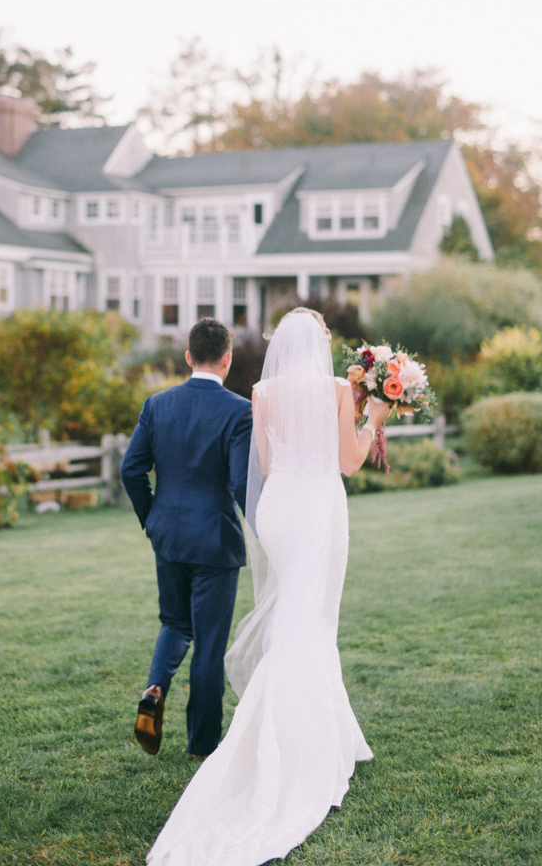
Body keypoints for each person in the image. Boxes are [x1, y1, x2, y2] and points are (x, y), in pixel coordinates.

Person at [145, 308, 391, 866]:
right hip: (316, 507)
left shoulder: (261, 391)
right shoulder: (335, 389)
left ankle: (333, 732)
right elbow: (349, 463)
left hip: (280, 508)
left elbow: (265, 463)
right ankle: (290, 747)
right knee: (310, 623)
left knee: (297, 619)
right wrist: (374, 414)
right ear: (321, 346)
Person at [120, 317, 253, 760]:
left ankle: (155, 688)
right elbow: (239, 482)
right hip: (215, 542)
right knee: (209, 644)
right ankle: (201, 746)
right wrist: (263, 523)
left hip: (168, 537)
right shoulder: (238, 411)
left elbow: (130, 469)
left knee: (175, 623)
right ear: (228, 360)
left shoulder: (157, 405)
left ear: (189, 356)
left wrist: (152, 518)